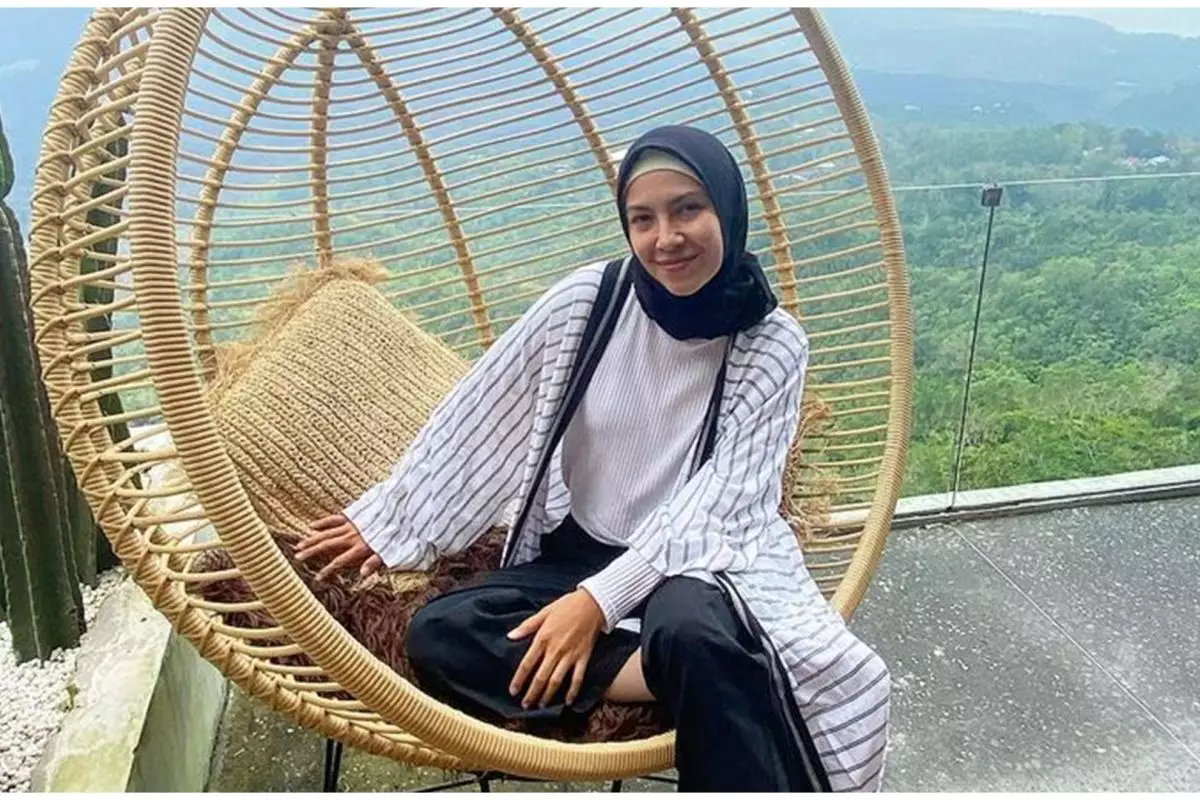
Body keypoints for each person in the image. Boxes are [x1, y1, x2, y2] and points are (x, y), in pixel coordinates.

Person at [294, 125, 890, 792]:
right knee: (441, 632)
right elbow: (488, 409)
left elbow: (720, 503)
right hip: (578, 551)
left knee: (693, 630)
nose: (666, 238)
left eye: (688, 209)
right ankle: (667, 673)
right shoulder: (591, 302)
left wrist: (598, 607)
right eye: (643, 218)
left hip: (695, 566)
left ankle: (681, 662)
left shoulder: (772, 343)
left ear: (727, 208)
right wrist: (394, 518)